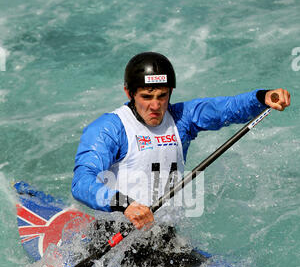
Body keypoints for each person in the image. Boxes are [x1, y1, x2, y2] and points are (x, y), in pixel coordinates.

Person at [72, 52, 290, 234]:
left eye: (162, 96)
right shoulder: (109, 128)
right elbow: (82, 182)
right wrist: (125, 204)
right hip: (116, 234)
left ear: (170, 92)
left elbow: (224, 109)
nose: (156, 106)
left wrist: (261, 98)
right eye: (147, 97)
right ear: (129, 93)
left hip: (166, 236)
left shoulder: (181, 119)